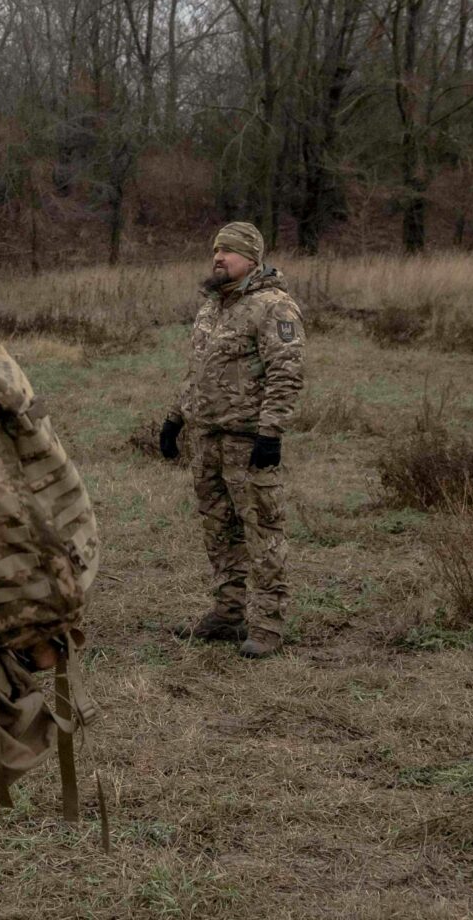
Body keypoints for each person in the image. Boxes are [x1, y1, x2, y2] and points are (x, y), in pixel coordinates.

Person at [158, 221, 304, 660]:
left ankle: (269, 623)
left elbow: (286, 374)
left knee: (262, 530)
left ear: (252, 258)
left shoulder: (273, 307)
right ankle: (228, 614)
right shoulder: (212, 306)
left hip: (247, 440)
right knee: (218, 528)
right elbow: (198, 370)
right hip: (207, 439)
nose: (218, 258)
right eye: (215, 250)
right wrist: (176, 418)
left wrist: (270, 433)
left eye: (229, 251)